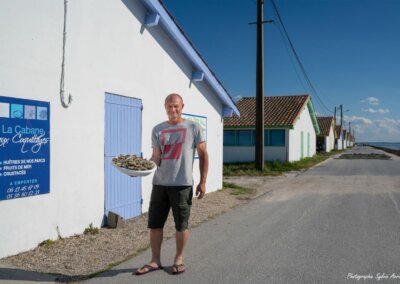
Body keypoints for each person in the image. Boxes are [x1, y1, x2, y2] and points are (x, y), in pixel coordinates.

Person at [136, 93, 209, 275]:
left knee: (181, 225)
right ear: (165, 107)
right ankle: (155, 261)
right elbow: (156, 157)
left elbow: (203, 154)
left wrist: (203, 182)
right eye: (169, 106)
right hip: (160, 184)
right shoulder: (157, 130)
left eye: (176, 105)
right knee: (154, 224)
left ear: (182, 106)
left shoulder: (193, 127)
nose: (172, 109)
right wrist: (139, 168)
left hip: (182, 184)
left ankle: (179, 258)